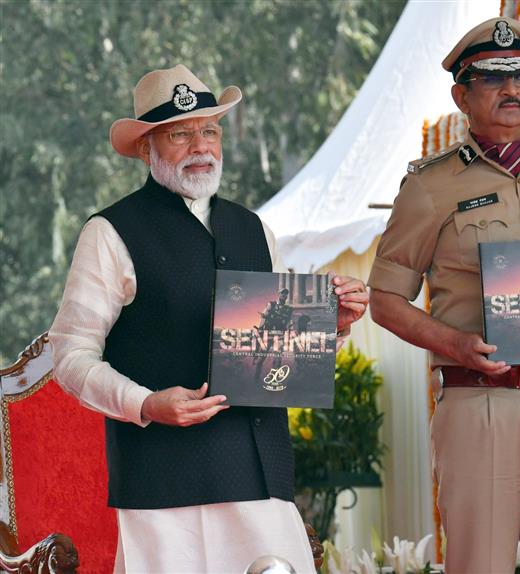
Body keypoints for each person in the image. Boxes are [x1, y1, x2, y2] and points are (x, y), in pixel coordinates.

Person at [49, 64, 368, 573]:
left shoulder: (255, 228)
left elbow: (277, 352)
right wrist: (146, 403)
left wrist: (335, 325)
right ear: (146, 148)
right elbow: (68, 356)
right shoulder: (109, 232)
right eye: (180, 134)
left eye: (210, 130)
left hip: (263, 478)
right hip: (164, 488)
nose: (201, 145)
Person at [368, 18, 520, 574]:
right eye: (492, 79)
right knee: (481, 564)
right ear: (462, 94)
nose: (511, 91)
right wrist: (452, 343)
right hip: (481, 399)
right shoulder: (429, 186)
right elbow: (384, 299)